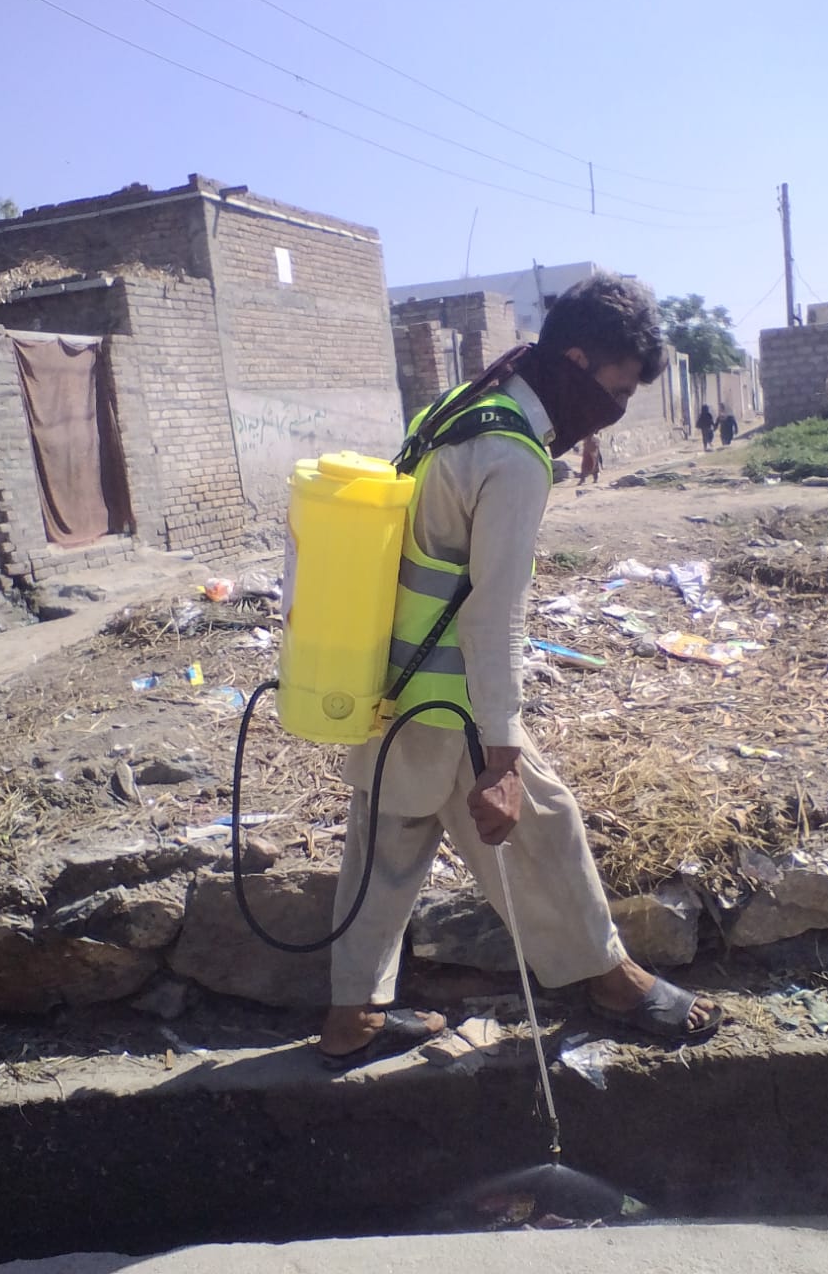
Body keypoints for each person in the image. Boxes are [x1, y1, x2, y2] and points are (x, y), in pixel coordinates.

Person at [318, 274, 722, 1070]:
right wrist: (500, 759)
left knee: (386, 845)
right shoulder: (513, 457)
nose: (612, 409)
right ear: (574, 359)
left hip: (385, 684)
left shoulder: (456, 408)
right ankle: (611, 979)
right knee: (545, 823)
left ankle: (350, 1017)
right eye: (612, 389)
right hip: (449, 703)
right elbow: (491, 613)